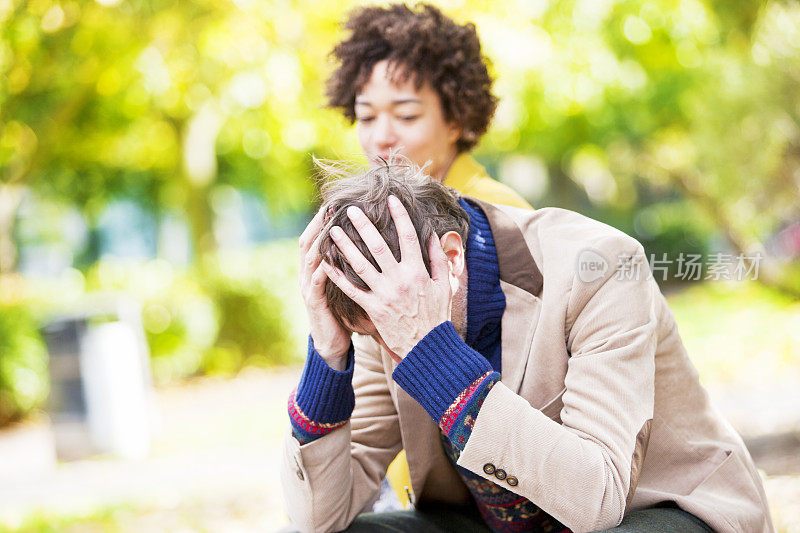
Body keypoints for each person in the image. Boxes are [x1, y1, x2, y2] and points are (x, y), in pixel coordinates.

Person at [281, 158, 773, 532]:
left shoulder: (602, 266)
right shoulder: (386, 302)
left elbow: (596, 497)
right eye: (375, 335)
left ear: (451, 258)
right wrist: (327, 359)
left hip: (657, 507)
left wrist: (432, 351)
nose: (393, 354)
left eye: (391, 331)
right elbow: (319, 519)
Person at [325, 2, 532, 210]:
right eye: (367, 117)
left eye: (407, 116)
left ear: (455, 121)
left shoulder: (497, 215)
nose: (381, 138)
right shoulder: (379, 212)